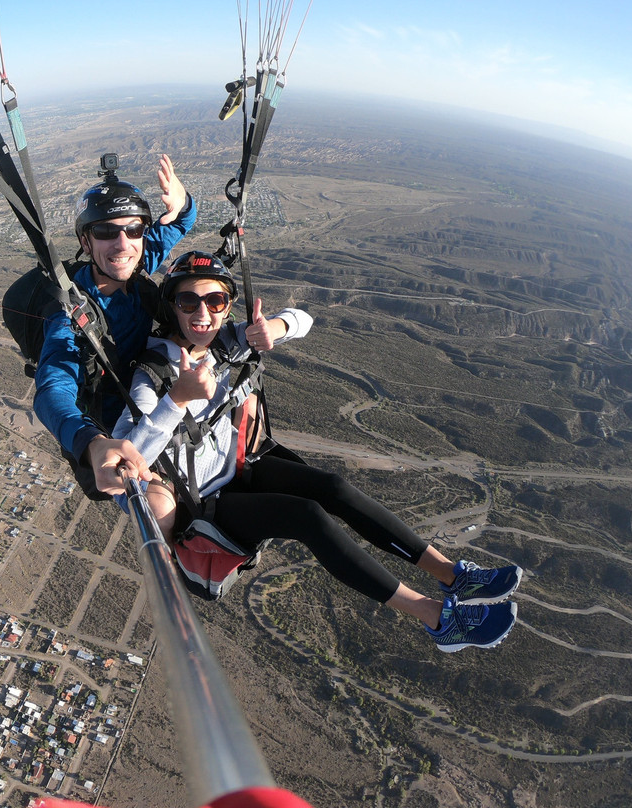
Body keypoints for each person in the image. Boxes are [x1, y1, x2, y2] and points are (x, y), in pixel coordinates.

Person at [113, 250, 523, 652]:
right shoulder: (153, 373)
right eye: (188, 301)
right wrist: (177, 400)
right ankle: (438, 618)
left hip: (241, 468)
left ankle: (452, 575)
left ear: (228, 306)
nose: (202, 313)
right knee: (307, 516)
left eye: (215, 300)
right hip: (205, 503)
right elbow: (128, 459)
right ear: (172, 307)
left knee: (335, 488)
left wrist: (275, 326)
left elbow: (304, 319)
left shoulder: (225, 342)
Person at [33, 154, 196, 496]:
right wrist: (91, 443)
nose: (123, 244)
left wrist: (182, 203)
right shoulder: (72, 315)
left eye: (134, 229)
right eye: (106, 231)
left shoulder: (132, 264)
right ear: (85, 243)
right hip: (122, 428)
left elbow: (180, 222)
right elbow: (52, 390)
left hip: (155, 396)